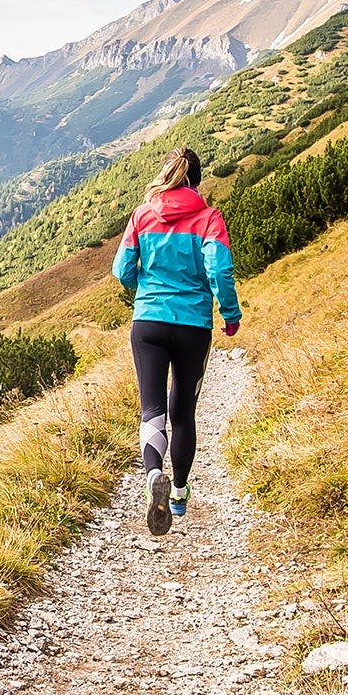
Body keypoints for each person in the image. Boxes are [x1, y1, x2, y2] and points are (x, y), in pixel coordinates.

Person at [111, 147, 241, 536]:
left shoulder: (142, 214)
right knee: (183, 411)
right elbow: (219, 270)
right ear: (196, 181)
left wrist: (146, 288)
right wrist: (230, 315)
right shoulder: (208, 218)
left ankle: (154, 474)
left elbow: (122, 270)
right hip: (193, 326)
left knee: (151, 408)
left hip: (147, 323)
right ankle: (180, 492)